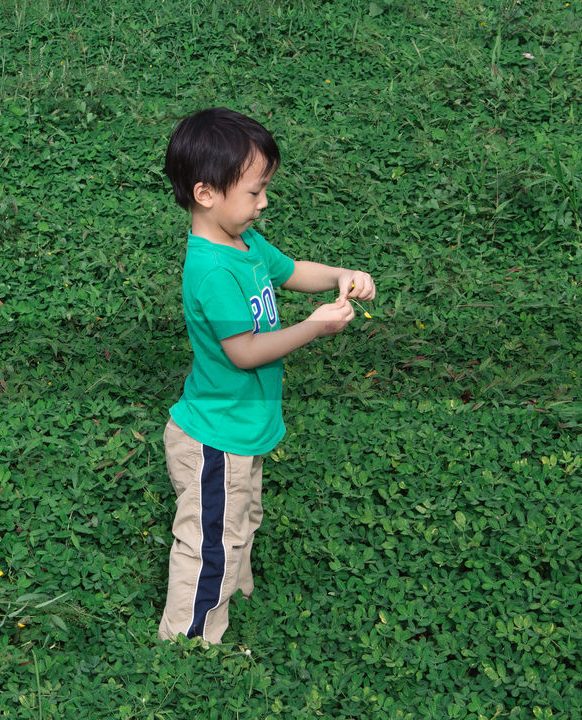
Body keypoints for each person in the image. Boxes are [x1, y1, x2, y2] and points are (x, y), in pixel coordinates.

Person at [157, 107, 377, 644]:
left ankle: (234, 581)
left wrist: (340, 275)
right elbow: (245, 353)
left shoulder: (247, 246)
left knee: (242, 515)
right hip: (215, 436)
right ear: (207, 194)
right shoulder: (211, 270)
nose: (264, 202)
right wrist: (314, 327)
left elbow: (294, 271)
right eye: (255, 192)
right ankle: (187, 639)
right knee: (209, 539)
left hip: (241, 425)